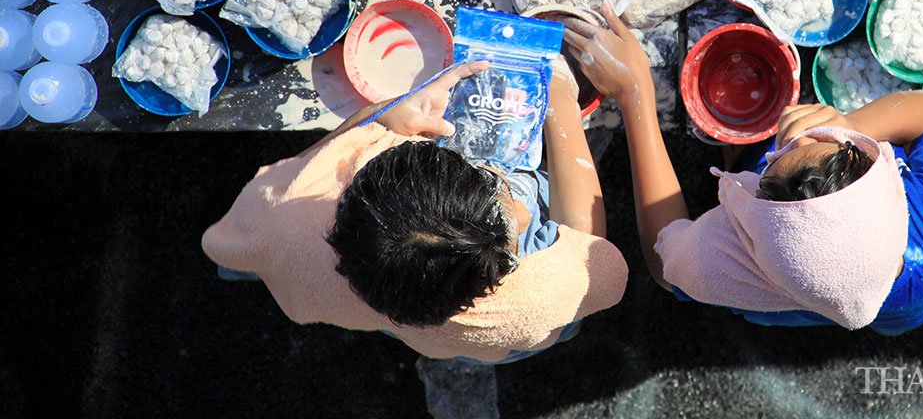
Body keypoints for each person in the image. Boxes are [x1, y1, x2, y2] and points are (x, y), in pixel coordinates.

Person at [562, 5, 923, 335]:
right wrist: (851, 128)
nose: (786, 130)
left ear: (755, 230)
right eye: (819, 144)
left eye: (771, 163)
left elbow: (664, 260)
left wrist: (636, 94)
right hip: (918, 274)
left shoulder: (744, 269)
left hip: (900, 298)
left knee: (889, 320)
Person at [201, 57, 628, 364]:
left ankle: (441, 354)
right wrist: (562, 109)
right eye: (502, 203)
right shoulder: (547, 298)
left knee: (436, 337)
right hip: (510, 338)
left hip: (365, 305)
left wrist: (382, 117)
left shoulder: (284, 219)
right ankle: (463, 369)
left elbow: (303, 167)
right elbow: (589, 247)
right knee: (545, 327)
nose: (517, 207)